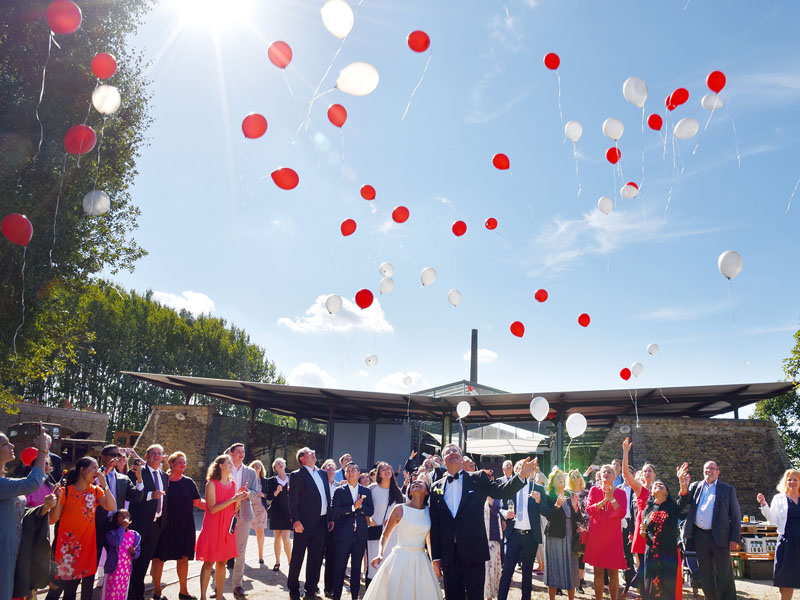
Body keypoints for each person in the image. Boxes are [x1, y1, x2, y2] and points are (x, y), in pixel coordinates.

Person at [430, 443, 538, 600]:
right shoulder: (435, 488)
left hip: (474, 552)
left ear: (461, 459)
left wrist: (521, 476)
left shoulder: (478, 478)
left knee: (475, 596)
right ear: (443, 461)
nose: (452, 453)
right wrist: (436, 557)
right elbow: (436, 525)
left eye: (456, 451)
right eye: (448, 451)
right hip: (449, 555)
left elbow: (501, 491)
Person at [47, 456, 117, 600]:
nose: (96, 471)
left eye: (97, 468)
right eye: (93, 467)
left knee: (72, 590)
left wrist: (105, 486)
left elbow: (111, 506)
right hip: (66, 550)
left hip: (85, 548)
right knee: (56, 590)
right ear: (82, 470)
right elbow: (52, 519)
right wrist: (58, 498)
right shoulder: (66, 491)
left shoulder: (96, 491)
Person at [364, 478, 442, 600]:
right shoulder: (399, 509)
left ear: (427, 491)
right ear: (409, 492)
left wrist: (434, 561)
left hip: (421, 560)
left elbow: (429, 540)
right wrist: (380, 554)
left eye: (420, 482)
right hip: (400, 558)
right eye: (413, 483)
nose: (416, 483)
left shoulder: (429, 512)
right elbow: (385, 534)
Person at [676, 460, 741, 600]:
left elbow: (736, 515)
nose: (709, 471)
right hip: (701, 536)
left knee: (724, 572)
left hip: (720, 536)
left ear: (718, 472)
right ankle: (711, 597)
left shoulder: (727, 489)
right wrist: (683, 483)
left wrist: (734, 538)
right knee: (705, 573)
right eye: (706, 468)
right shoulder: (695, 486)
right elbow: (683, 501)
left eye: (712, 468)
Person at [0, 425, 50, 600]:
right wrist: (42, 450)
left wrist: (42, 509)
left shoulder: (6, 481)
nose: (12, 446)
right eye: (5, 444)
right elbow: (31, 483)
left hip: (14, 551)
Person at [151, 451, 205, 600]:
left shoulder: (188, 482)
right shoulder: (162, 480)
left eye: (184, 462)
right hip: (163, 525)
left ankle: (183, 592)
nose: (183, 465)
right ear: (171, 464)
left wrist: (217, 506)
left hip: (184, 526)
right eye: (180, 462)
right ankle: (157, 592)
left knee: (183, 558)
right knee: (158, 559)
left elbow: (198, 502)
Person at [196, 455, 248, 600]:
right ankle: (203, 597)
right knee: (208, 563)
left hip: (227, 527)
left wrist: (239, 497)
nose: (232, 464)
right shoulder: (211, 484)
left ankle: (219, 596)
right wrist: (233, 499)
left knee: (222, 562)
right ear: (221, 466)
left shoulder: (233, 485)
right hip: (213, 527)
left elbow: (235, 508)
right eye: (229, 463)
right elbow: (212, 508)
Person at [497, 459, 551, 600]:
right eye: (520, 466)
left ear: (531, 471)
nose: (523, 468)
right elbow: (500, 508)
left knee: (527, 574)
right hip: (513, 535)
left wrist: (539, 502)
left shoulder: (538, 488)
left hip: (530, 537)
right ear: (516, 470)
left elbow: (547, 512)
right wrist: (504, 514)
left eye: (526, 466)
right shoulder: (510, 487)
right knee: (507, 571)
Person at [94, 445, 144, 590]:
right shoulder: (95, 475)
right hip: (97, 523)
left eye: (118, 454)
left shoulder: (123, 478)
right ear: (103, 456)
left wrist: (139, 479)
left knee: (115, 556)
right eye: (112, 454)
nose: (116, 458)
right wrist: (105, 472)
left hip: (116, 524)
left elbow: (137, 496)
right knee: (94, 557)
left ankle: (112, 588)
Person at [287, 447, 333, 600]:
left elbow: (327, 498)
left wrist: (330, 518)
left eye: (314, 451)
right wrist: (296, 521)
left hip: (321, 522)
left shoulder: (322, 474)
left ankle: (310, 589)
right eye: (309, 451)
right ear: (302, 458)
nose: (313, 452)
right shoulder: (297, 475)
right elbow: (293, 501)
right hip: (304, 523)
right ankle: (293, 589)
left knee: (316, 558)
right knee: (298, 557)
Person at [127, 444, 168, 600]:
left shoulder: (164, 475)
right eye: (153, 453)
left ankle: (138, 595)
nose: (156, 456)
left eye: (159, 453)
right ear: (146, 456)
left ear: (163, 457)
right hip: (139, 523)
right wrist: (152, 495)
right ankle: (129, 594)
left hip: (156, 525)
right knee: (133, 562)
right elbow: (132, 496)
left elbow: (166, 500)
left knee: (144, 562)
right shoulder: (137, 472)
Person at [330, 462, 374, 600]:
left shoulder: (366, 491)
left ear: (358, 473)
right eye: (347, 470)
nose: (350, 472)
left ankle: (355, 596)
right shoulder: (339, 490)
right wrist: (352, 507)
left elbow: (371, 510)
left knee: (356, 569)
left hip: (360, 536)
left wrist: (360, 508)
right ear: (345, 474)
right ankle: (336, 596)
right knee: (340, 567)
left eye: (353, 470)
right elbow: (335, 510)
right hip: (343, 535)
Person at [584, 464, 627, 600]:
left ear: (614, 476)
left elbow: (621, 513)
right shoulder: (594, 490)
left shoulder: (621, 493)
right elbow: (589, 510)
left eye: (609, 472)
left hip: (613, 536)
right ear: (600, 475)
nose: (606, 474)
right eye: (604, 472)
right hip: (597, 535)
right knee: (598, 571)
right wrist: (604, 500)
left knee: (613, 571)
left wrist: (612, 498)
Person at [758, 468, 800, 600]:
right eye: (789, 480)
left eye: (795, 480)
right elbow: (773, 520)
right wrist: (764, 505)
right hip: (787, 543)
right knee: (786, 581)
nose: (792, 482)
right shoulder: (779, 498)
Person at [225, 443, 261, 600]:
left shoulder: (251, 472)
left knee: (240, 551)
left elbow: (255, 493)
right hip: (225, 514)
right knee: (223, 548)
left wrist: (247, 493)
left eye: (243, 451)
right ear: (231, 453)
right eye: (238, 451)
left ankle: (237, 585)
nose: (241, 454)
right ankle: (219, 585)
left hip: (244, 514)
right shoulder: (224, 469)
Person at [543, 468, 585, 600]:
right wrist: (556, 505)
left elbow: (579, 518)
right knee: (554, 567)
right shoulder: (549, 495)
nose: (561, 479)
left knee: (571, 568)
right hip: (554, 536)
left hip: (570, 535)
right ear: (552, 482)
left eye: (562, 477)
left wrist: (575, 507)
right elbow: (548, 516)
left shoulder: (570, 494)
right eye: (557, 478)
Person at [622, 438, 657, 592]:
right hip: (641, 530)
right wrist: (625, 453)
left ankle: (649, 589)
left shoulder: (660, 489)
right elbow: (625, 474)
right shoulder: (640, 489)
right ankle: (642, 589)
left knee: (654, 564)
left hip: (656, 530)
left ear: (655, 474)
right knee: (642, 562)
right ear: (641, 475)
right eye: (645, 471)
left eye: (650, 470)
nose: (647, 473)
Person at [639, 481, 679, 600]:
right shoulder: (648, 509)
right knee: (650, 584)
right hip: (651, 551)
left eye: (662, 485)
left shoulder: (673, 507)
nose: (658, 485)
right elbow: (645, 531)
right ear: (651, 492)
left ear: (667, 492)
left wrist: (682, 483)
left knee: (667, 584)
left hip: (668, 552)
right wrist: (643, 532)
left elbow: (684, 498)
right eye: (655, 485)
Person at [366, 461, 403, 586]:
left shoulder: (397, 491)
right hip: (375, 531)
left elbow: (403, 510)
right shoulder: (372, 489)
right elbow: (364, 508)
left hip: (393, 533)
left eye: (389, 468)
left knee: (390, 564)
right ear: (379, 474)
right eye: (383, 469)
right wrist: (368, 519)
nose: (387, 470)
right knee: (374, 566)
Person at [101, 509, 141, 600]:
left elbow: (138, 552)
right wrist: (122, 527)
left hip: (125, 572)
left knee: (122, 593)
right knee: (109, 593)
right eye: (121, 516)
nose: (124, 518)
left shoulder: (135, 535)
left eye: (127, 515)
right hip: (113, 570)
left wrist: (134, 553)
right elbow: (117, 542)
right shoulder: (111, 533)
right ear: (116, 519)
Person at [565, 469, 588, 593]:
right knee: (569, 554)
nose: (576, 478)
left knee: (581, 555)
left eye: (577, 476)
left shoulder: (587, 493)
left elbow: (588, 511)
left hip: (583, 527)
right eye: (573, 476)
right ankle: (566, 582)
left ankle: (579, 583)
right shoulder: (567, 493)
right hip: (569, 526)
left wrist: (584, 526)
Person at [320, 458, 340, 595]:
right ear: (323, 469)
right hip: (320, 524)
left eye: (333, 466)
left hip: (334, 525)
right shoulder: (319, 484)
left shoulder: (340, 487)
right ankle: (312, 586)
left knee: (332, 557)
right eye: (328, 466)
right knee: (316, 557)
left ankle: (329, 588)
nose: (331, 468)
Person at [248, 460, 269, 567]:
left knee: (260, 532)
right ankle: (238, 554)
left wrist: (263, 495)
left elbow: (269, 495)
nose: (257, 467)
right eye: (255, 465)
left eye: (259, 466)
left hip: (261, 508)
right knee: (243, 532)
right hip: (248, 507)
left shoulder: (264, 481)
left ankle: (261, 556)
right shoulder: (248, 479)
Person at [484, 496, 503, 600]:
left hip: (492, 537)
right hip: (477, 536)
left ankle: (489, 596)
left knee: (491, 568)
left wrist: (490, 501)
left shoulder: (495, 492)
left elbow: (497, 510)